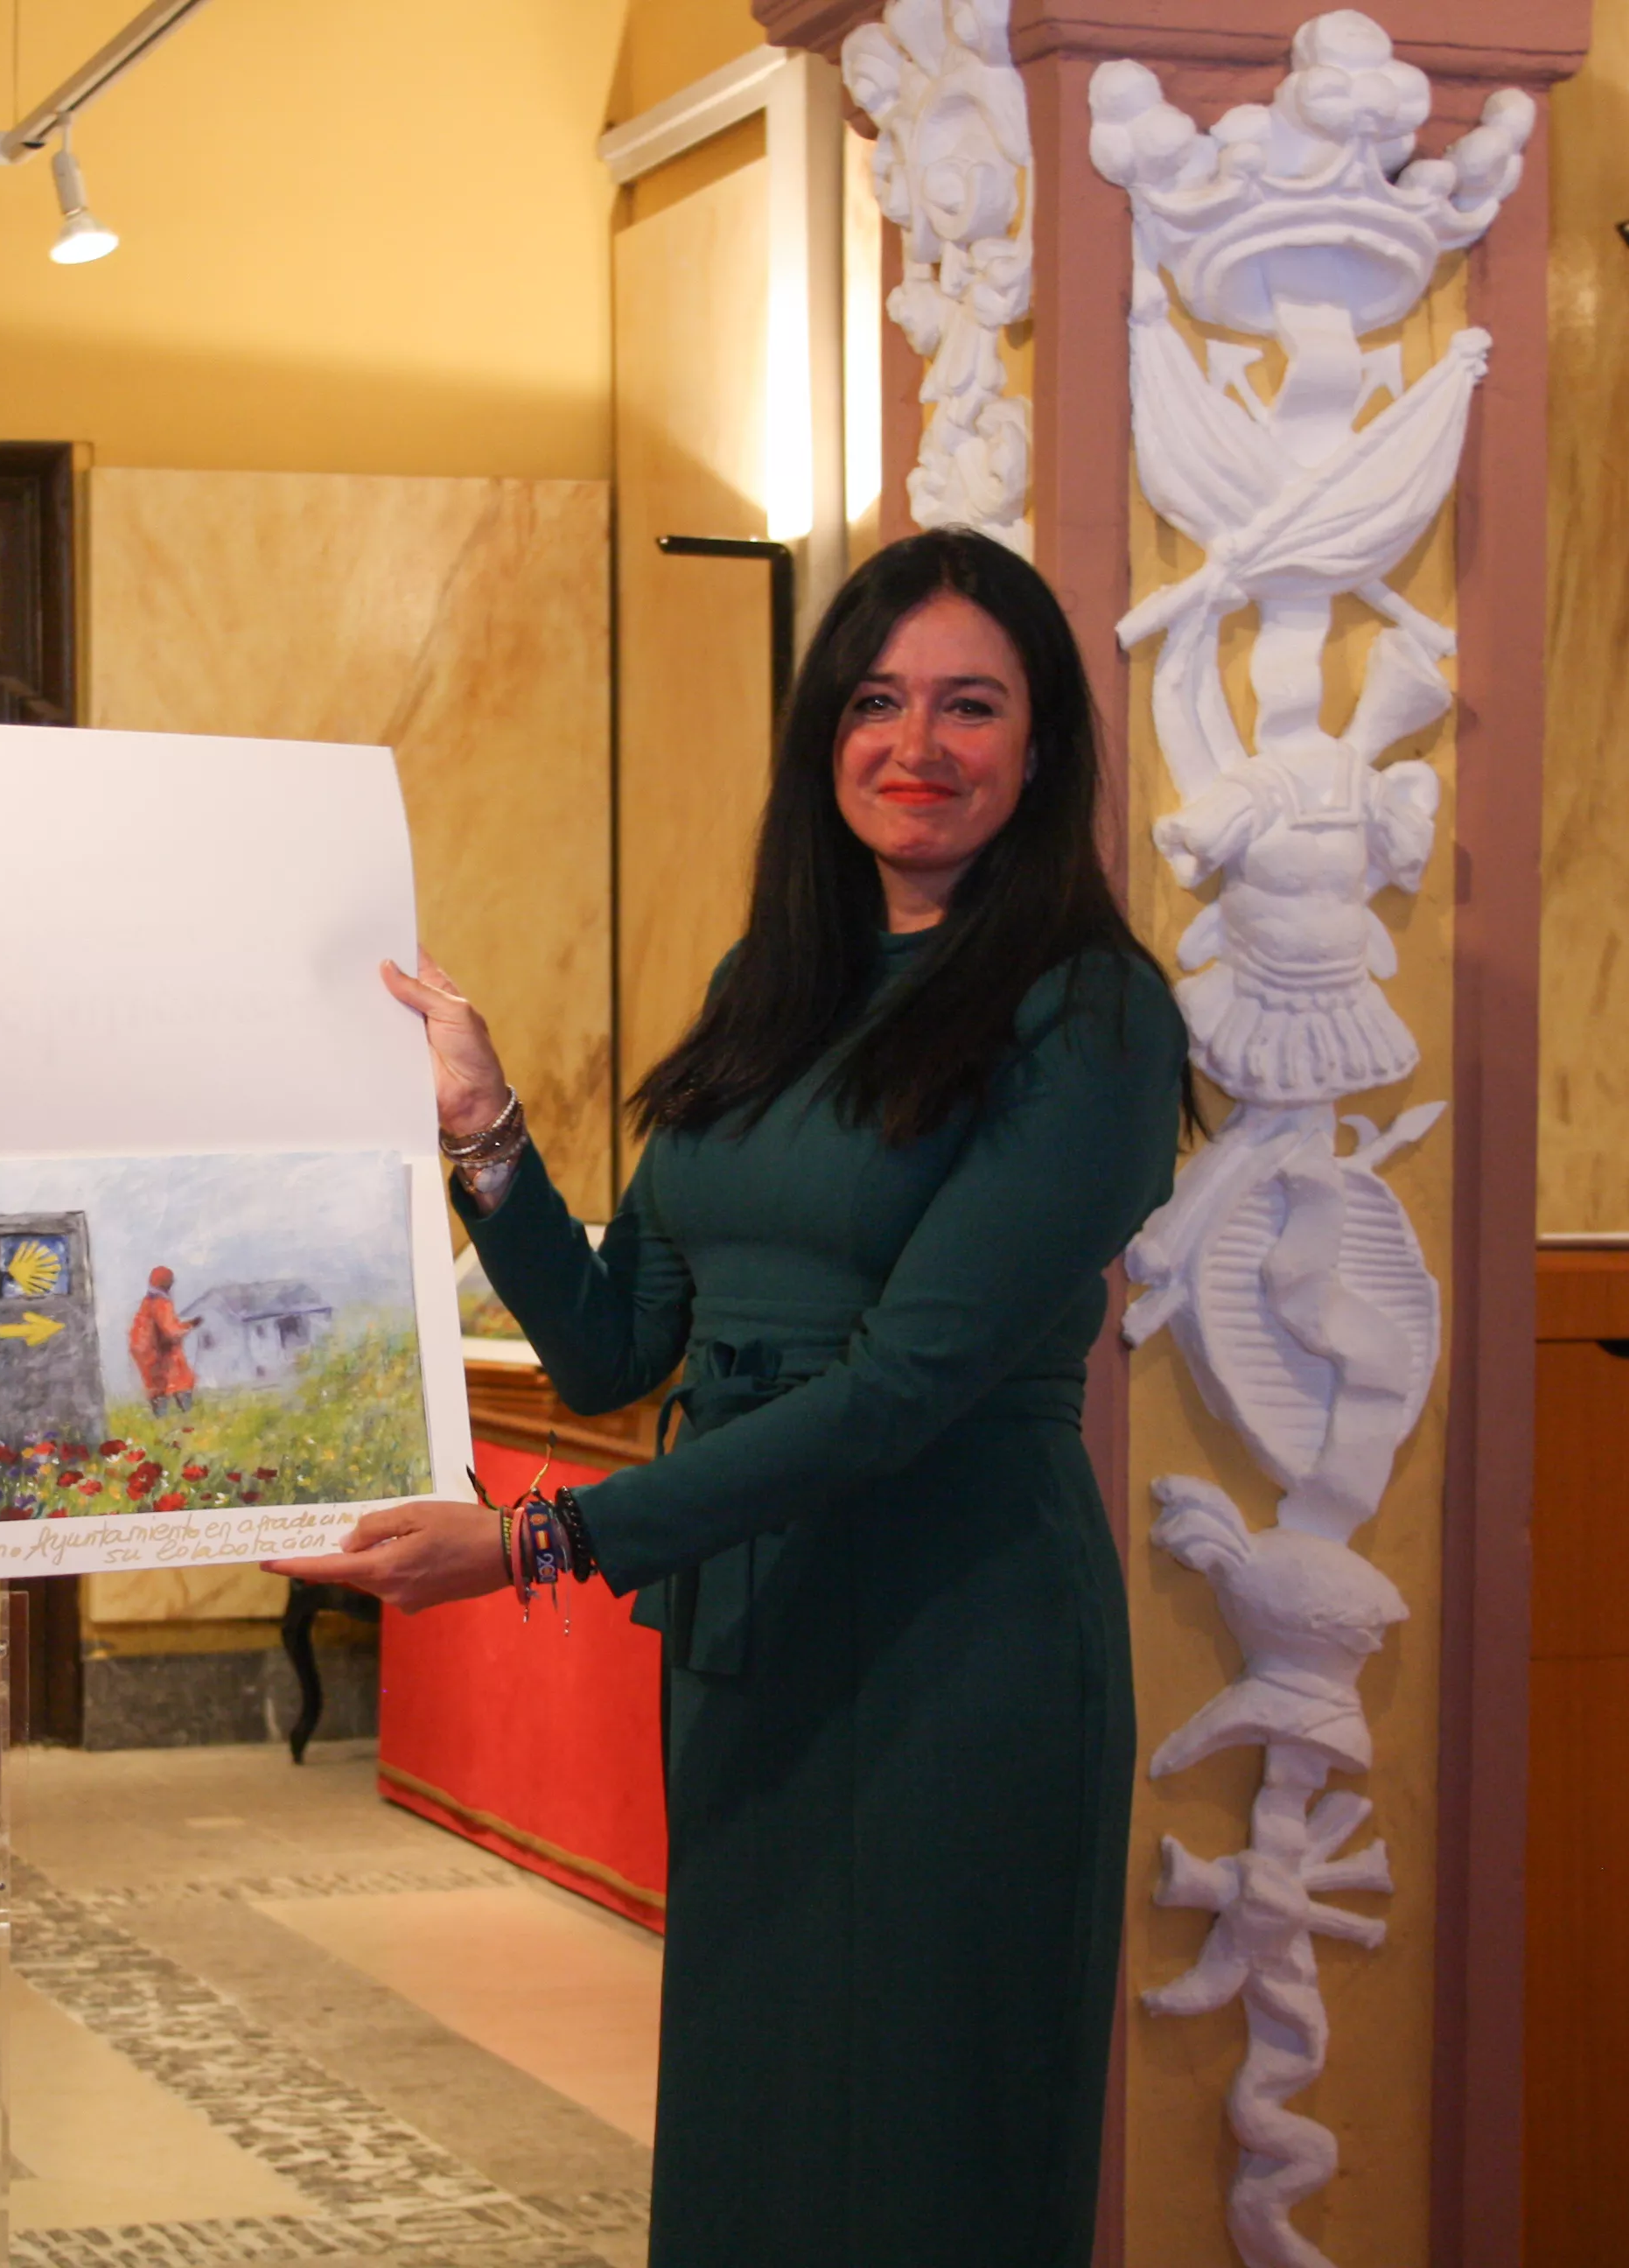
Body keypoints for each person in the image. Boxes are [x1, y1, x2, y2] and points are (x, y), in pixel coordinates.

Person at [273, 528, 1190, 2265]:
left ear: (1042, 743)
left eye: (969, 706)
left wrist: (541, 1537)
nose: (915, 744)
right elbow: (621, 1348)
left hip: (961, 1635)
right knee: (759, 2150)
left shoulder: (1091, 1018)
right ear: (823, 740)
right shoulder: (767, 998)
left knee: (927, 2161)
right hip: (754, 1644)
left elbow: (903, 1390)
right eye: (876, 702)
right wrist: (484, 1132)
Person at [129, 1264, 198, 1417]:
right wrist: (189, 1327)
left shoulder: (147, 1302)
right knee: (182, 1379)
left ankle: (162, 1419)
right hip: (159, 1352)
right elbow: (171, 1332)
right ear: (166, 1283)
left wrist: (185, 1325)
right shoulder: (162, 1303)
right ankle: (186, 1414)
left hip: (145, 1352)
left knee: (156, 1387)